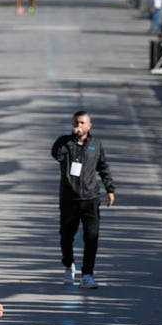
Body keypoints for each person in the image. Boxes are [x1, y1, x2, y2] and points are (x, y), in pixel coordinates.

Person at [51, 111, 116, 289]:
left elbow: (103, 167)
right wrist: (71, 140)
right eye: (76, 123)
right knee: (66, 236)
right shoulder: (65, 143)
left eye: (82, 123)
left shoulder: (95, 144)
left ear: (89, 125)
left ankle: (87, 274)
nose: (78, 126)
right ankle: (68, 265)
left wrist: (110, 189)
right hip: (69, 199)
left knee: (91, 237)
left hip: (90, 199)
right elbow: (56, 154)